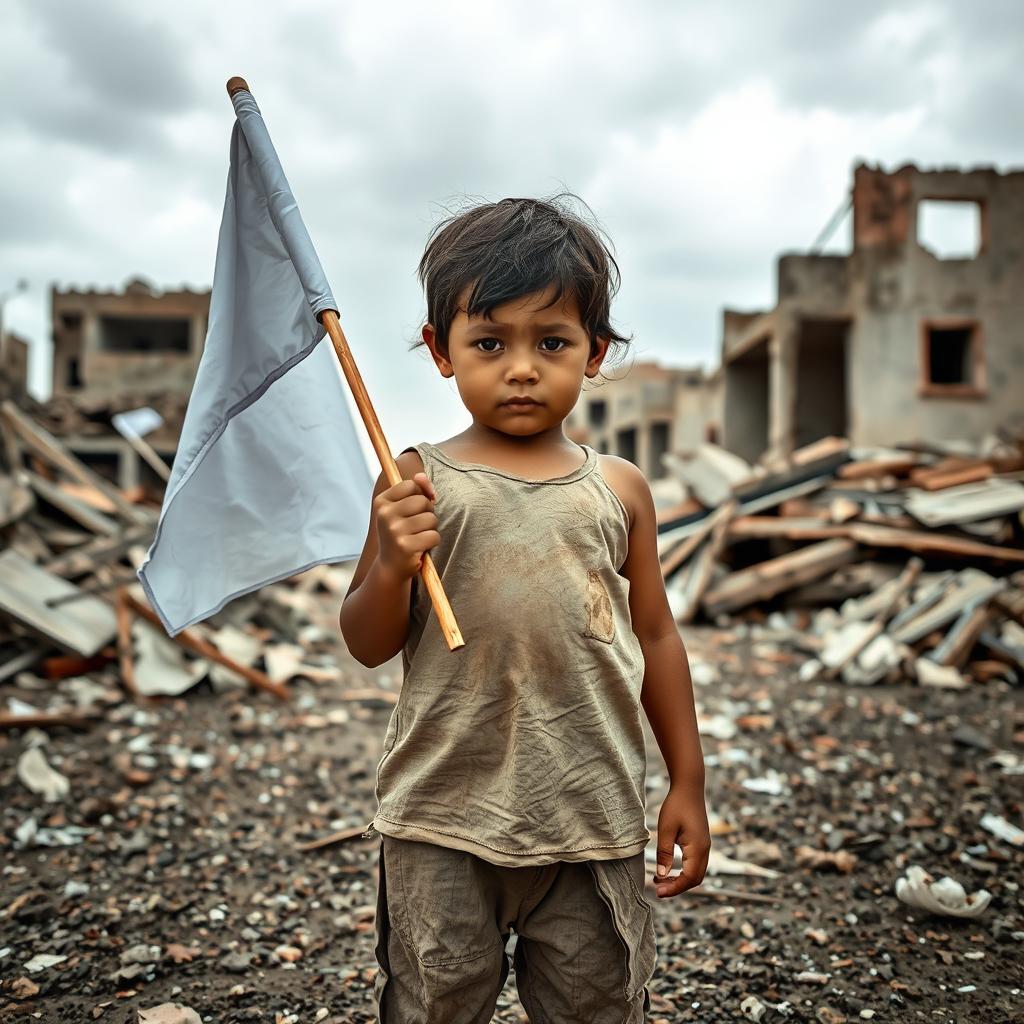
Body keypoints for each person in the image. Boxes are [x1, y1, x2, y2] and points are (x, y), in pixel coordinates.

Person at [339, 194, 710, 1024]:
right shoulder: (415, 479)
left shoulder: (619, 489)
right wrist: (395, 562)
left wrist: (688, 781)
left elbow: (655, 634)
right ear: (441, 351)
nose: (520, 366)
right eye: (489, 341)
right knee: (436, 1003)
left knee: (596, 1005)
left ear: (595, 353)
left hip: (591, 816)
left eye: (551, 342)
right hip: (441, 817)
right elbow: (365, 640)